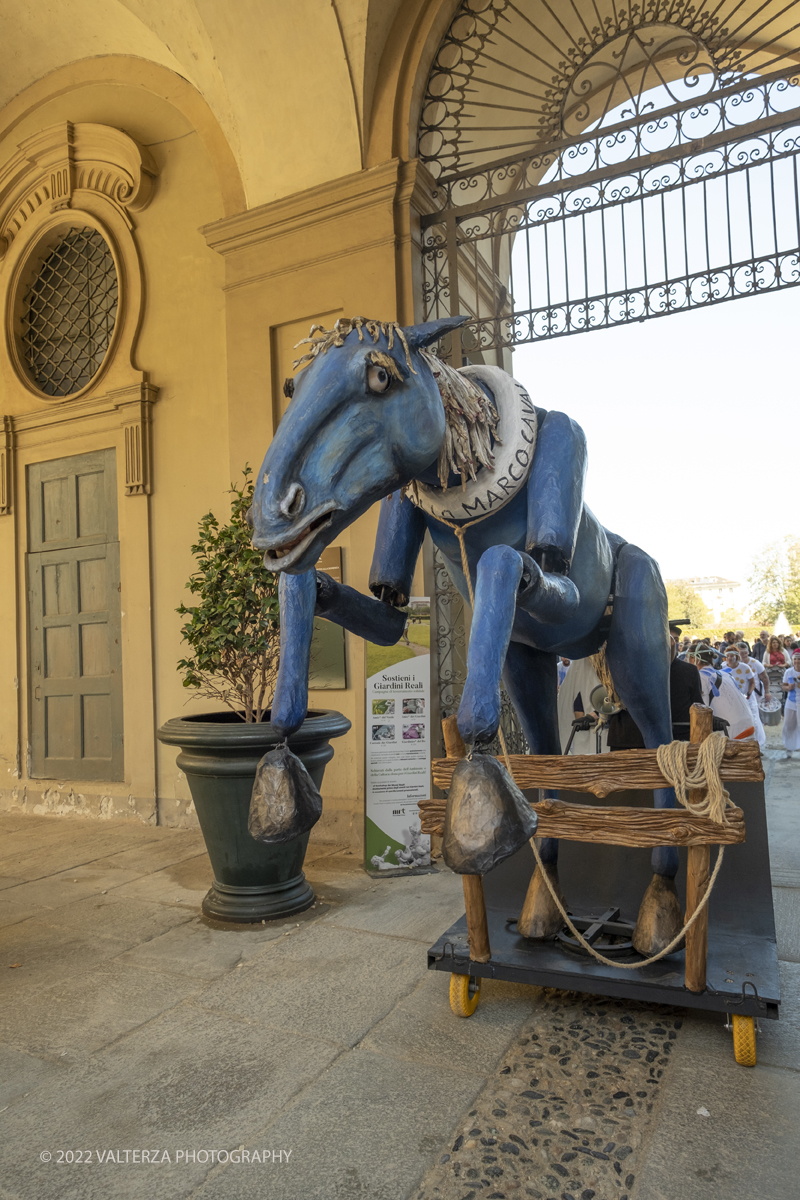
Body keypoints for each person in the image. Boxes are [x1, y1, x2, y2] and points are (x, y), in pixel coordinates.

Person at [689, 646, 755, 740]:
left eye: (688, 657)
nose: (685, 660)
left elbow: (703, 711)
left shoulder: (701, 677)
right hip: (748, 724)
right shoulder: (724, 673)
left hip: (732, 731)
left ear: (696, 659)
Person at [735, 642, 767, 748]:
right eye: (740, 652)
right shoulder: (728, 664)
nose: (743, 655)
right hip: (736, 697)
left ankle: (758, 744)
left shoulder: (755, 663)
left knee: (755, 719)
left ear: (748, 652)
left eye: (745, 652)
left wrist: (767, 691)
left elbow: (765, 677)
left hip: (752, 694)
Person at [782, 648, 800, 752]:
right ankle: (789, 746)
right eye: (795, 659)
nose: (797, 662)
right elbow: (783, 686)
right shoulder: (788, 672)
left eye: (799, 659)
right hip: (791, 702)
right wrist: (788, 688)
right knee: (789, 725)